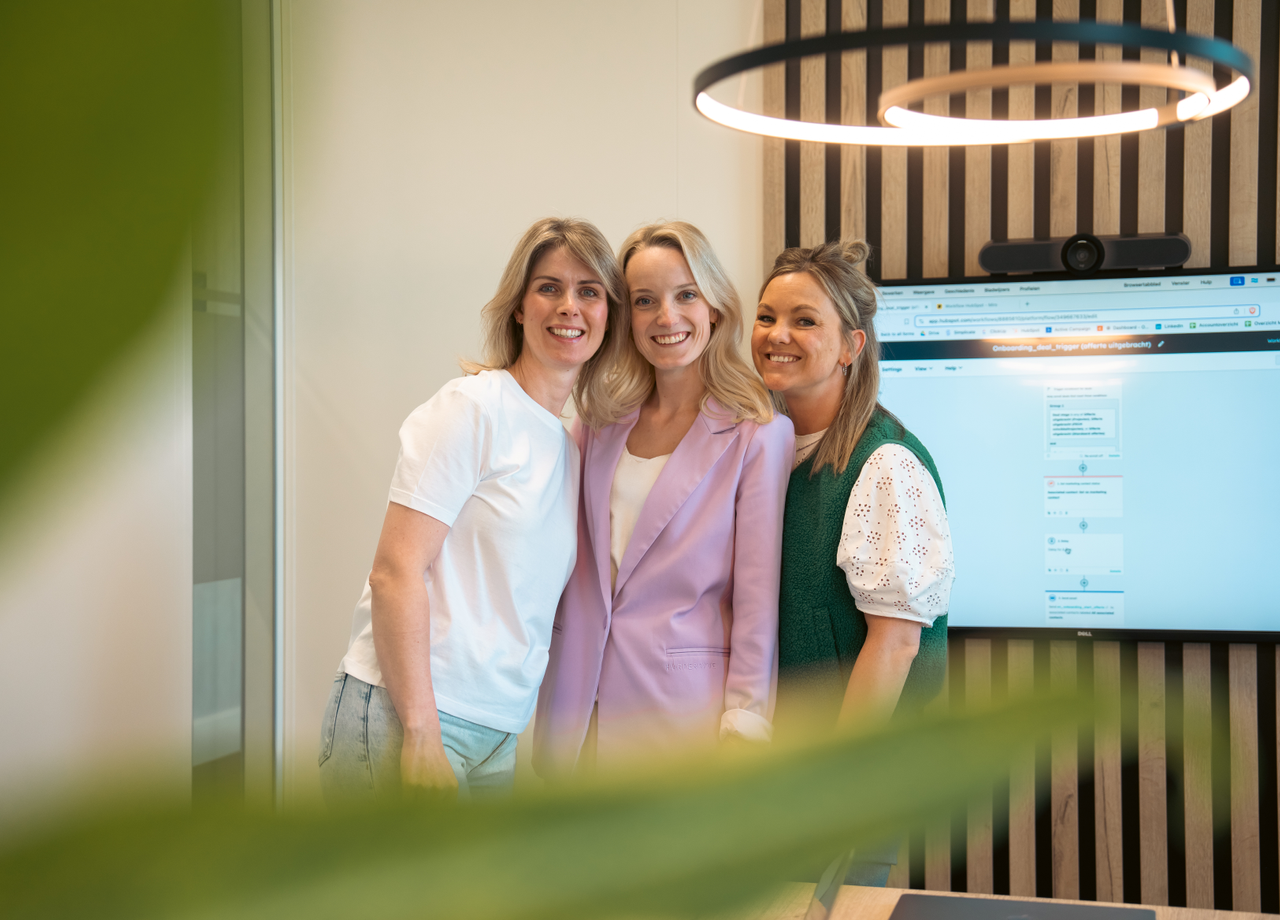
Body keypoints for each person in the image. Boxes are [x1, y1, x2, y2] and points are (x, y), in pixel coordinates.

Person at [318, 217, 627, 802]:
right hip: (411, 715)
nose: (569, 306)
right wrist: (420, 731)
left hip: (496, 732)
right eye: (549, 287)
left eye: (589, 291)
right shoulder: (473, 408)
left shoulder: (568, 448)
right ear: (519, 308)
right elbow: (395, 571)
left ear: (609, 315)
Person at [532, 221, 794, 777]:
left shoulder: (758, 434)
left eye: (686, 295)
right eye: (645, 300)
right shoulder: (596, 424)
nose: (666, 317)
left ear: (715, 308)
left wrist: (746, 721)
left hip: (683, 722)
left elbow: (757, 599)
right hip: (575, 708)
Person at [751, 239, 954, 886]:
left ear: (850, 346)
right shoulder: (770, 449)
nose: (777, 334)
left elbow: (895, 645)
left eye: (804, 320)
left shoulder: (885, 462)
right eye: (766, 317)